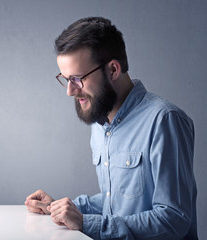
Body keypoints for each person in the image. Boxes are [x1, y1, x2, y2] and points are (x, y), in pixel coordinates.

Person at [25, 17, 198, 239]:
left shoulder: (165, 120)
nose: (70, 91)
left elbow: (174, 220)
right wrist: (58, 208)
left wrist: (88, 223)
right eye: (65, 79)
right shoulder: (100, 123)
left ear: (113, 70)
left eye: (77, 79)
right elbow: (115, 201)